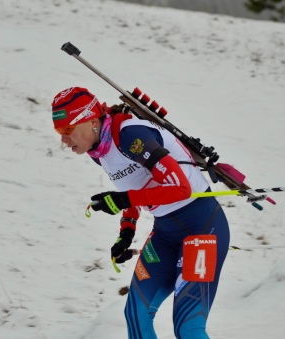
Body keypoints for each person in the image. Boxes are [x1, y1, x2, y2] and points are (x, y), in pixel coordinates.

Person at [51, 87, 230, 339]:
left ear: (92, 121)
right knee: (136, 314)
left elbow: (180, 188)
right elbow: (133, 187)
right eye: (59, 131)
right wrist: (126, 232)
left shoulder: (130, 136)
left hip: (202, 228)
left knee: (187, 328)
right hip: (165, 234)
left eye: (67, 130)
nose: (63, 139)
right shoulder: (99, 150)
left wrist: (123, 198)